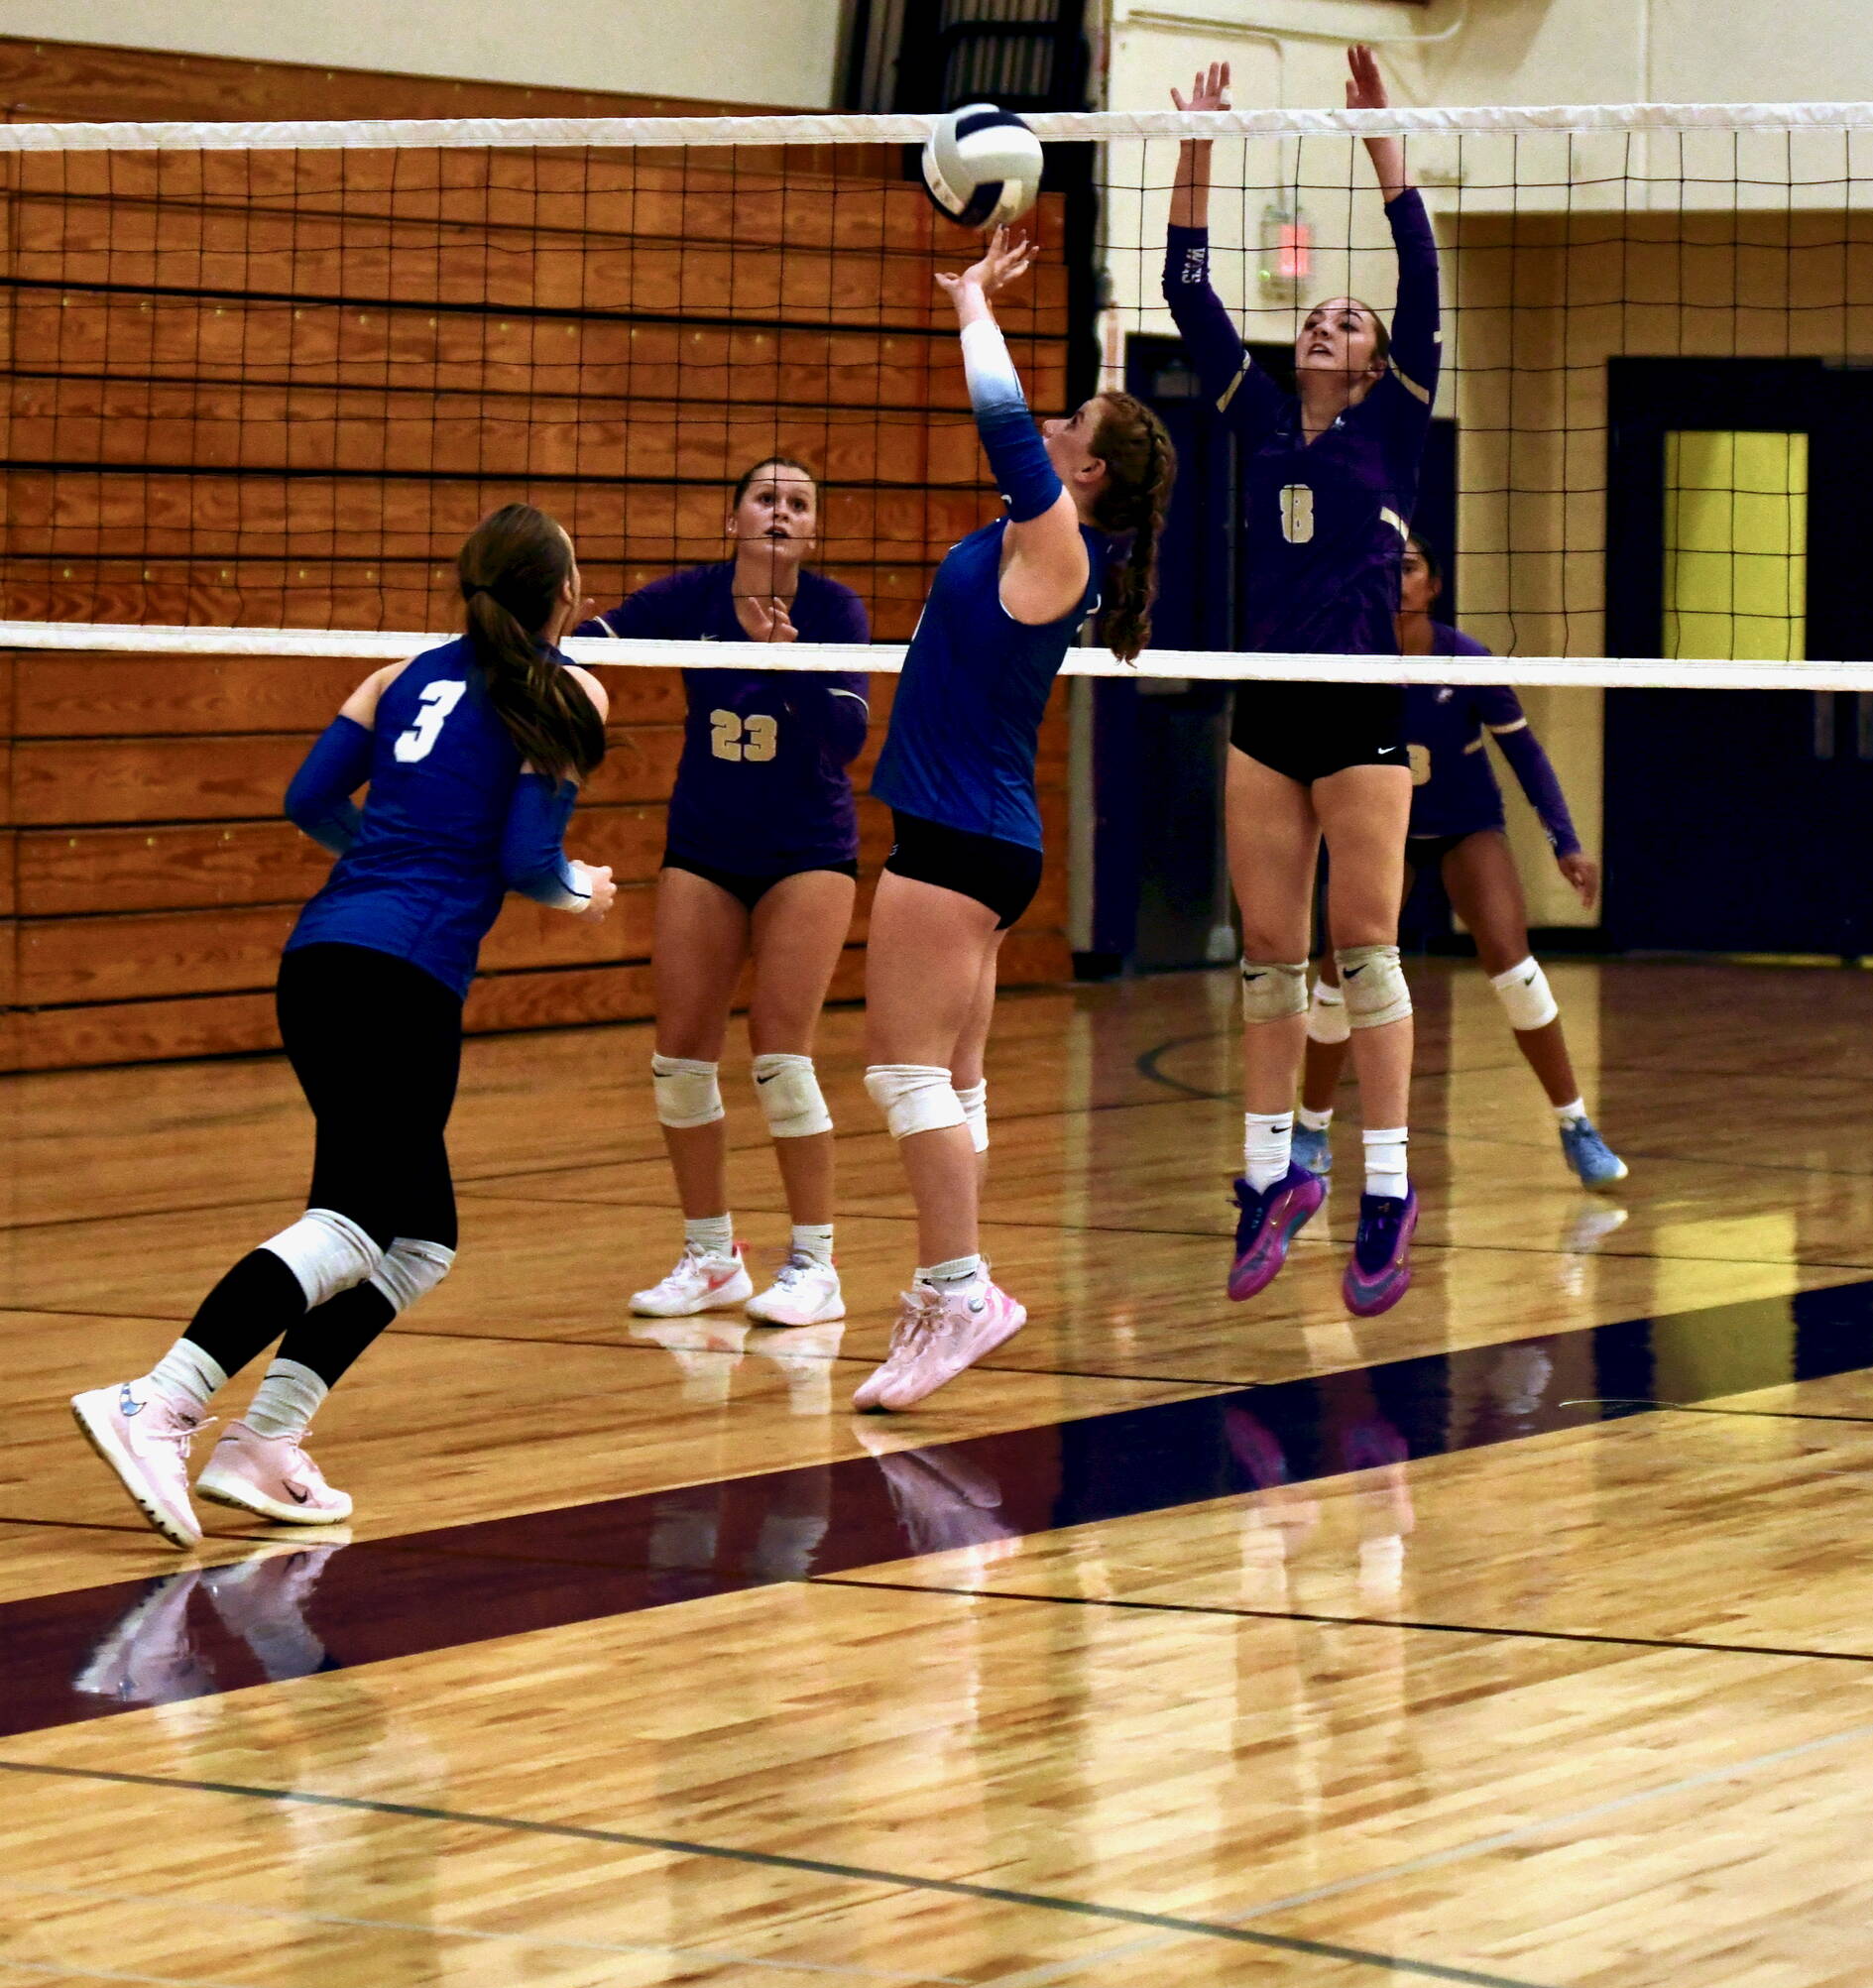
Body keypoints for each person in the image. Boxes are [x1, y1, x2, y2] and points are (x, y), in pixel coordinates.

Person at [70, 505, 616, 1550]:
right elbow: (523, 860)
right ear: (561, 595)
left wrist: (395, 855)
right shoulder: (568, 689)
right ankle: (161, 1400)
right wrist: (577, 889)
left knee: (419, 1237)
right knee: (358, 1221)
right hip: (402, 979)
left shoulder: (398, 672)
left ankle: (264, 1441)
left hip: (323, 961)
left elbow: (308, 796)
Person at [853, 227, 1176, 1411]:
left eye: (1068, 429)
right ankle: (949, 1290)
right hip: (979, 833)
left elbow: (998, 418)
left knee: (903, 1076)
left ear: (1084, 475)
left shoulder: (1057, 545)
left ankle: (958, 1289)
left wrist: (968, 307)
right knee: (955, 1080)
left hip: (956, 836)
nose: (1047, 428)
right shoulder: (1035, 540)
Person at [1163, 48, 1438, 1319]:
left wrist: (1384, 147)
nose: (1327, 321)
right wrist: (1196, 144)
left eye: (1349, 323)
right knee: (1269, 953)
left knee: (1362, 947)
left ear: (1377, 364)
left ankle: (1384, 1186)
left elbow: (1420, 283)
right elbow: (1184, 283)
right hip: (1265, 706)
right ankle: (1271, 1176)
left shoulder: (1390, 425)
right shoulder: (1255, 417)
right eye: (1319, 315)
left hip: (1359, 708)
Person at [579, 460, 871, 1328]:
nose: (781, 512)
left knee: (781, 1055)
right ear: (733, 517)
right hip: (705, 847)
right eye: (766, 498)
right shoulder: (692, 596)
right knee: (679, 1060)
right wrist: (537, 634)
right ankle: (711, 1257)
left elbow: (848, 738)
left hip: (807, 852)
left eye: (799, 503)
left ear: (812, 531)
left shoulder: (835, 610)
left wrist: (791, 666)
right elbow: (602, 638)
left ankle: (815, 1265)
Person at [1297, 532, 1627, 1190]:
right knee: (1340, 971)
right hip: (1382, 831)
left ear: (1434, 585)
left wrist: (1565, 841)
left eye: (1410, 568)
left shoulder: (1467, 660)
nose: (1397, 580)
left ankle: (1575, 1126)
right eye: (1386, 568)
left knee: (1513, 963)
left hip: (1466, 826)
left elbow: (1526, 757)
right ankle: (1310, 1128)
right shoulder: (1353, 660)